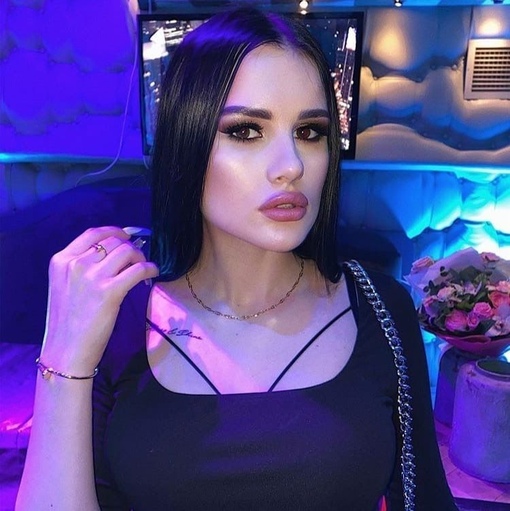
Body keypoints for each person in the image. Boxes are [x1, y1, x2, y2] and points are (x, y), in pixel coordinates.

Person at [16, 7, 458, 511]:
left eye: (310, 132)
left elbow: (425, 498)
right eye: (246, 131)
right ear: (186, 140)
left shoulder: (380, 307)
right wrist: (62, 358)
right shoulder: (118, 316)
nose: (291, 166)